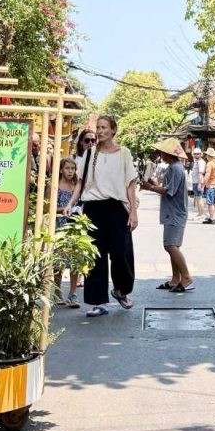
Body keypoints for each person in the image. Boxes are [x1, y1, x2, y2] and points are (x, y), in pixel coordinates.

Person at [77, 116, 140, 317]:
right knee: (96, 255)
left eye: (104, 127)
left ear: (113, 130)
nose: (100, 131)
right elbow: (80, 183)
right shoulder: (89, 154)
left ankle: (121, 290)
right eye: (98, 127)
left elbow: (130, 183)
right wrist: (70, 204)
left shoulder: (124, 153)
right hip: (93, 208)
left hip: (117, 208)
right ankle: (98, 301)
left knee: (121, 252)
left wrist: (133, 211)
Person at [142, 138, 194, 293]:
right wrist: (155, 186)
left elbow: (169, 191)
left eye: (162, 151)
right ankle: (175, 279)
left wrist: (150, 187)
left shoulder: (175, 168)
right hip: (174, 211)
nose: (160, 154)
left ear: (167, 153)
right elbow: (169, 188)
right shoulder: (175, 167)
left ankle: (185, 276)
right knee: (173, 245)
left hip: (175, 212)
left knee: (170, 245)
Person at [55, 156, 84, 308]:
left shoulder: (77, 186)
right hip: (59, 225)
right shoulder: (54, 186)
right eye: (67, 168)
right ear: (61, 170)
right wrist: (65, 209)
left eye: (73, 169)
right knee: (59, 261)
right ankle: (57, 291)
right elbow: (48, 207)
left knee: (75, 260)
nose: (70, 171)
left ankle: (73, 293)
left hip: (75, 226)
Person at [202, 147, 215, 223]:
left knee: (210, 203)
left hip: (211, 185)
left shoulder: (209, 164)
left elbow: (207, 175)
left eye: (206, 155)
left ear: (208, 156)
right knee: (214, 201)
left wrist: (203, 184)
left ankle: (212, 218)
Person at [189, 147, 206, 214]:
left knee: (199, 198)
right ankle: (199, 213)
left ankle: (201, 214)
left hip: (198, 182)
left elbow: (200, 173)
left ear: (201, 154)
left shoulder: (201, 162)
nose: (196, 155)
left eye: (198, 154)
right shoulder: (196, 162)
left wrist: (199, 183)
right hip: (195, 182)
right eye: (195, 154)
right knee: (198, 198)